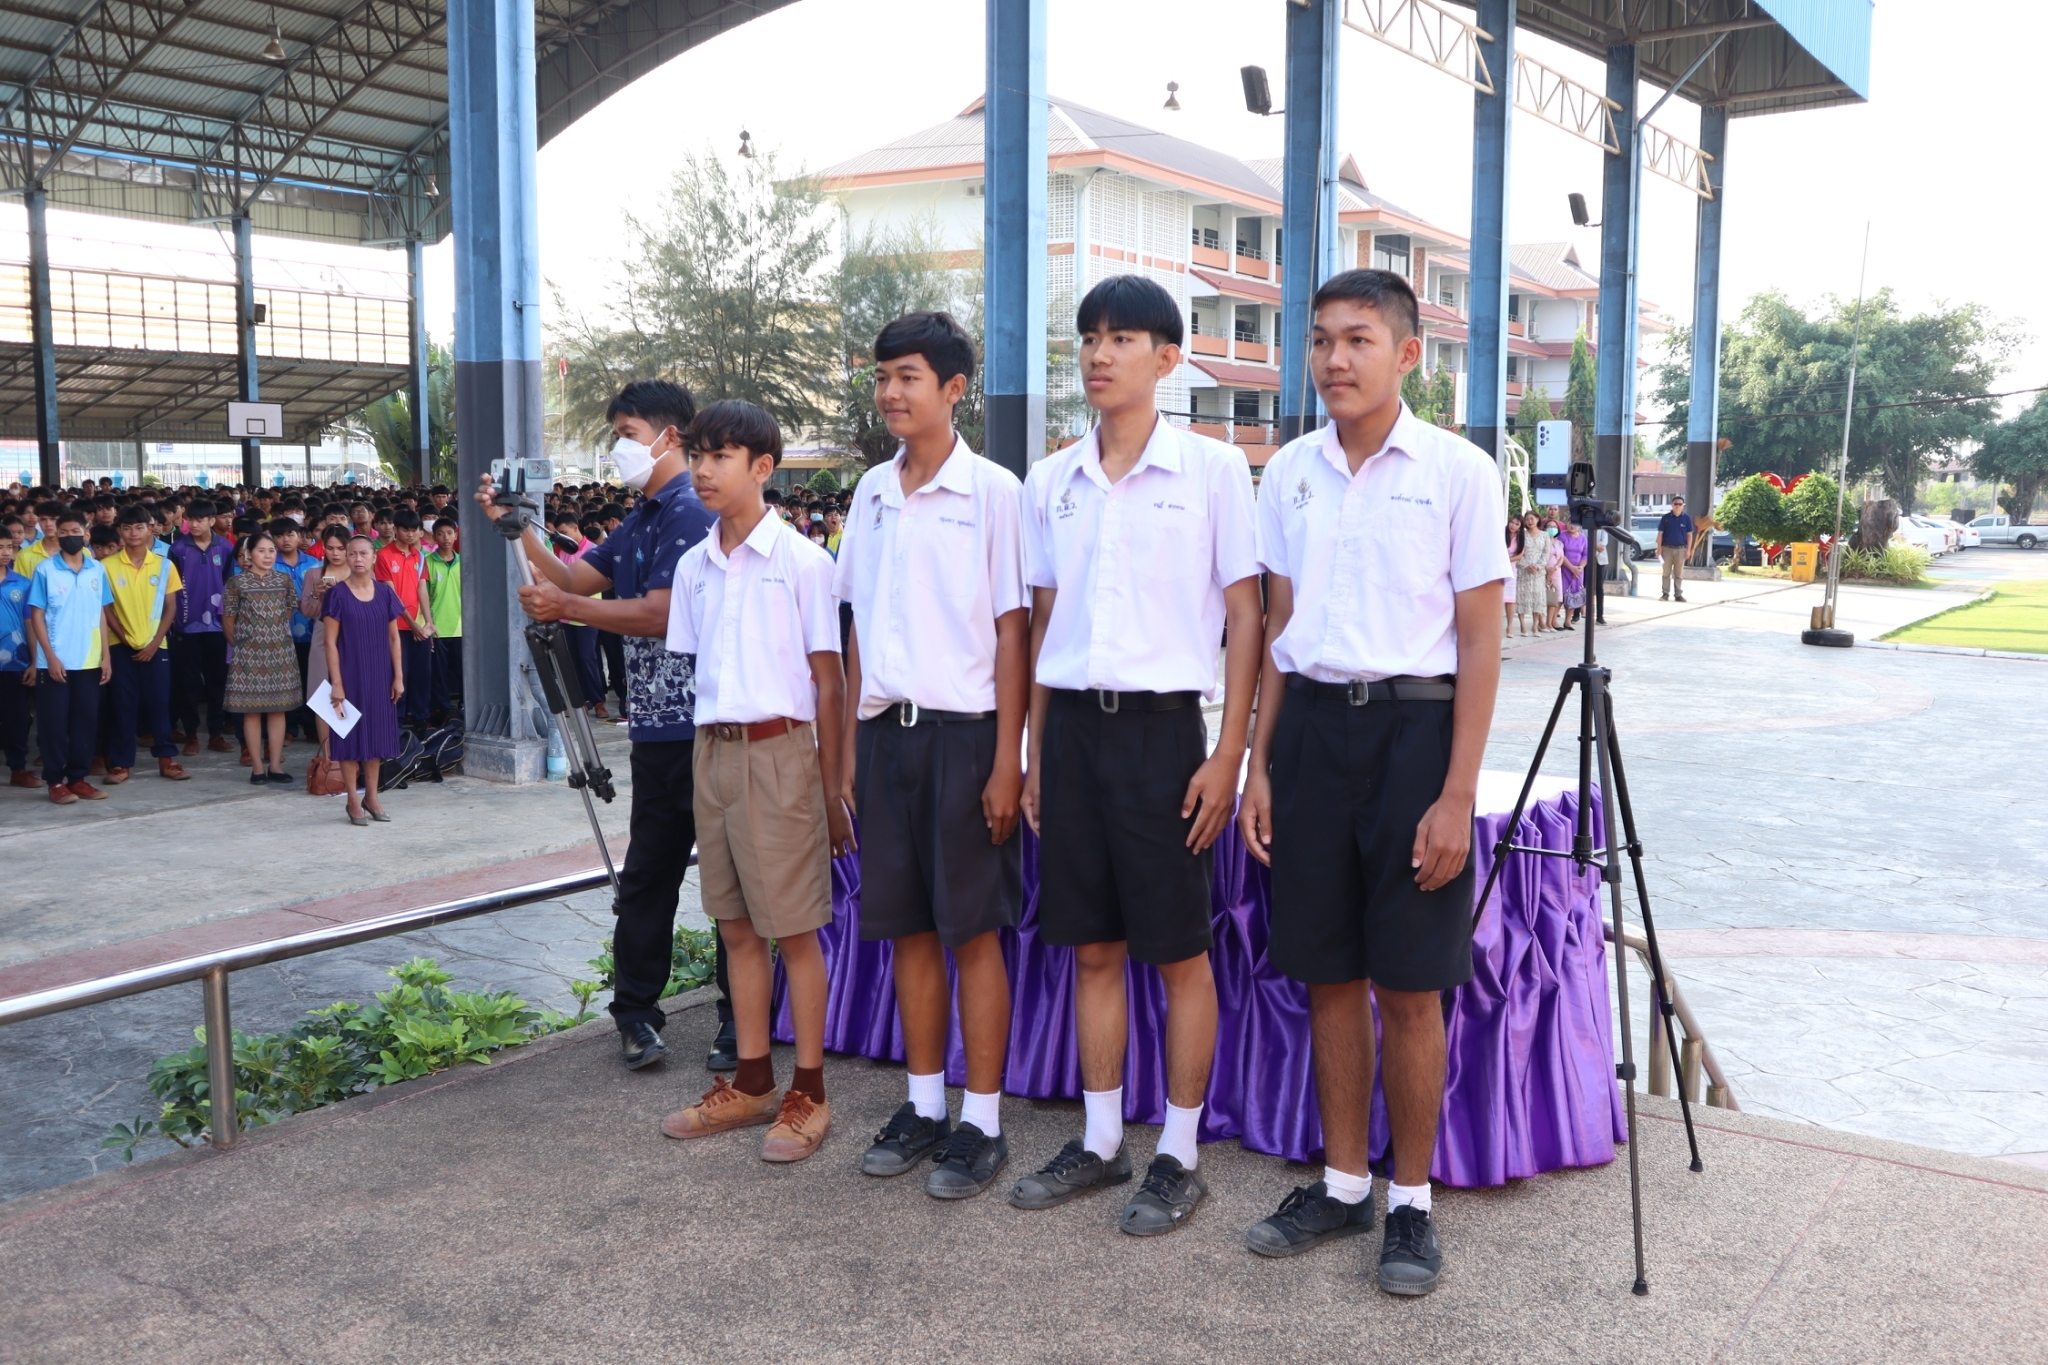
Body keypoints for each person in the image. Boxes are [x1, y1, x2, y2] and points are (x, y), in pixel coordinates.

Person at [1238, 266, 1509, 1296]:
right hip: (1310, 733)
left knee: (1408, 986)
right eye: (1318, 339)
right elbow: (1274, 627)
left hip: (1413, 732)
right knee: (1327, 979)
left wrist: (1454, 793)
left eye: (1357, 339)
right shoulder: (1289, 472)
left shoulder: (1457, 472)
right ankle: (1341, 1181)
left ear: (1407, 354)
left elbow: (1479, 643)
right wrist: (1261, 763)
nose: (1333, 358)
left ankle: (1409, 1206)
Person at [1010, 274, 1262, 1236]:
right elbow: (1041, 623)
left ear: (1170, 354)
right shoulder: (1052, 481)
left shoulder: (1211, 471)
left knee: (1181, 953)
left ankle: (1182, 1152)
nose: (1099, 354)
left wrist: (1228, 751)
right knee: (1094, 948)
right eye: (1088, 338)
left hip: (1166, 735)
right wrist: (1034, 753)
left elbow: (1246, 617)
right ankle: (1103, 1138)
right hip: (1071, 731)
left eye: (1122, 338)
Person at [835, 312, 1028, 1199]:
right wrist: (846, 757)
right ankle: (921, 1103)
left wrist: (1007, 760)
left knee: (971, 932)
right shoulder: (870, 491)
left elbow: (1012, 631)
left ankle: (981, 1119)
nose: (891, 393)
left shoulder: (995, 492)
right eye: (882, 377)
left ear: (955, 388)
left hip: (965, 737)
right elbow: (856, 631)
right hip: (886, 737)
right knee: (907, 929)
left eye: (909, 376)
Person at [478, 380, 720, 1072]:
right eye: (616, 433)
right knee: (648, 876)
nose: (619, 447)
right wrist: (516, 523)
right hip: (656, 730)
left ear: (671, 436)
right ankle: (636, 1014)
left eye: (629, 432)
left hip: (708, 727)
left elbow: (660, 612)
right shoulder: (643, 516)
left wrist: (566, 607)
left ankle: (738, 1016)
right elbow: (573, 577)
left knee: (728, 882)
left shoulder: (691, 512)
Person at [659, 399, 852, 1164]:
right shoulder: (692, 566)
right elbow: (700, 665)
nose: (704, 470)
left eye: (722, 456)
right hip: (714, 753)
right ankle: (750, 1080)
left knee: (794, 928)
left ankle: (809, 1090)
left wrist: (836, 787)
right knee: (735, 925)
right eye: (698, 455)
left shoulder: (805, 562)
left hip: (782, 753)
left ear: (763, 468)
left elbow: (828, 683)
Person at [26, 509, 113, 803]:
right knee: (53, 722)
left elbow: (100, 614)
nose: (68, 537)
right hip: (55, 661)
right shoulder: (45, 570)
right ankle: (55, 781)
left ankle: (78, 778)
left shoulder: (97, 570)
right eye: (62, 533)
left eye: (74, 531)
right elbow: (36, 615)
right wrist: (48, 656)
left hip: (88, 660)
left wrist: (106, 656)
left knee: (85, 721)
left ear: (86, 533)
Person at [323, 535, 406, 823]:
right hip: (349, 676)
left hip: (380, 676)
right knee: (349, 740)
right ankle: (353, 800)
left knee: (376, 740)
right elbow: (330, 642)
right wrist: (337, 682)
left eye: (363, 554)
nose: (357, 559)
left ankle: (372, 796)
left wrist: (398, 677)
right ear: (346, 557)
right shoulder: (337, 595)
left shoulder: (385, 593)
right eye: (352, 554)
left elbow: (394, 638)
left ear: (373, 558)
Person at [102, 507, 187, 782]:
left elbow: (171, 608)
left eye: (139, 527)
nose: (133, 533)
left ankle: (167, 759)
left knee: (159, 704)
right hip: (120, 645)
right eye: (127, 528)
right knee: (123, 704)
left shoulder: (164, 565)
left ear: (151, 528)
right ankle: (121, 763)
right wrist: (125, 639)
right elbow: (106, 608)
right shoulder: (106, 566)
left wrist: (155, 642)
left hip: (156, 646)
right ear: (120, 531)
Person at [223, 531, 303, 786]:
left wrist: (273, 635)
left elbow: (289, 610)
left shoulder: (284, 580)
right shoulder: (236, 583)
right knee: (251, 712)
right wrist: (244, 645)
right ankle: (258, 767)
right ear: (248, 554)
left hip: (280, 652)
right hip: (248, 655)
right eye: (261, 550)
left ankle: (276, 764)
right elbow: (228, 619)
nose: (268, 555)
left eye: (271, 550)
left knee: (278, 710)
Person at [167, 501, 234, 755]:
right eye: (190, 519)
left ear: (212, 520)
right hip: (187, 626)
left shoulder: (226, 547)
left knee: (218, 681)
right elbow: (171, 588)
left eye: (200, 519)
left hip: (218, 626)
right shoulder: (178, 549)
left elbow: (229, 584)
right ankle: (192, 734)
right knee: (189, 683)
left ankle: (216, 733)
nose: (194, 524)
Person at [374, 510, 433, 730]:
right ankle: (396, 722)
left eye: (414, 530)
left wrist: (428, 622)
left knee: (422, 675)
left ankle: (420, 720)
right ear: (396, 530)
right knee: (400, 674)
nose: (410, 534)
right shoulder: (383, 556)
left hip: (418, 627)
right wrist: (412, 623)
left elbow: (422, 589)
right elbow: (391, 595)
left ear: (420, 532)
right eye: (405, 530)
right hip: (396, 627)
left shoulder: (419, 556)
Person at [301, 526, 352, 760]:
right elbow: (307, 611)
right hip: (322, 637)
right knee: (322, 696)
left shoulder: (359, 571)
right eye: (330, 548)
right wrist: (316, 594)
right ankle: (327, 756)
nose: (335, 553)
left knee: (352, 695)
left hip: (353, 639)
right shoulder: (313, 573)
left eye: (341, 548)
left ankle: (352, 752)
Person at [0, 526, 34, 786]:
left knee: (17, 717)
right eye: (0, 547)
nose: (5, 553)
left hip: (15, 663)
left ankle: (18, 769)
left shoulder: (22, 584)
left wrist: (34, 661)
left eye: (8, 547)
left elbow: (31, 625)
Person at [423, 518, 463, 723]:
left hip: (461, 628)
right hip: (438, 627)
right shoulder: (427, 562)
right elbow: (424, 597)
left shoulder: (464, 562)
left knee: (463, 671)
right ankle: (444, 711)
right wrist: (427, 625)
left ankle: (464, 708)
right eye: (440, 533)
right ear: (434, 536)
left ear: (456, 534)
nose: (445, 538)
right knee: (438, 674)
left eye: (449, 533)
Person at [1513, 510, 1548, 635]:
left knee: (1538, 598)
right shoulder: (1521, 534)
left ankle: (1535, 626)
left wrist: (1538, 566)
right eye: (1527, 519)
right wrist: (1525, 565)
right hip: (1524, 569)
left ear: (1538, 519)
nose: (1529, 521)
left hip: (1538, 572)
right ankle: (1523, 625)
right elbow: (1518, 552)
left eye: (1532, 518)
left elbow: (1546, 553)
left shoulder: (1544, 535)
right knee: (1522, 597)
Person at [1657, 495, 1693, 602]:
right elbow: (1660, 534)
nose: (1677, 506)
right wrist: (1659, 549)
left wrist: (1688, 550)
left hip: (1681, 549)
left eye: (1680, 504)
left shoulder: (1686, 519)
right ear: (1672, 505)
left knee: (1678, 574)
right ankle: (1665, 594)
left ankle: (1678, 595)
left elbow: (1689, 535)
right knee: (1666, 573)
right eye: (1675, 504)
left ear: (1683, 506)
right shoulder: (1666, 518)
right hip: (1666, 549)